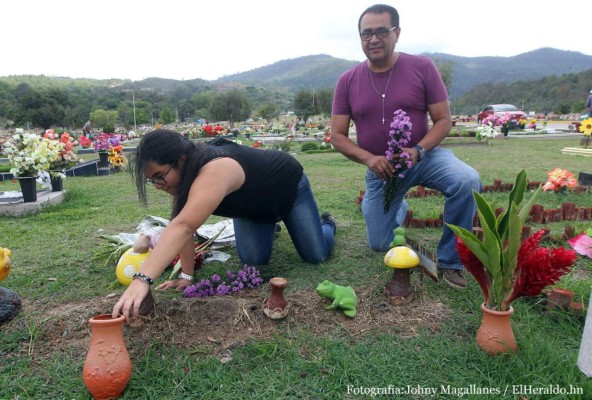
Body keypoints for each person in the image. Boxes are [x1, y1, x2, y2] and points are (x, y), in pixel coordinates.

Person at [330, 4, 481, 289]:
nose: (373, 39)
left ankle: (451, 261)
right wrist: (369, 159)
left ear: (396, 33)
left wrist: (419, 150)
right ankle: (399, 206)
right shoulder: (347, 80)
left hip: (424, 156)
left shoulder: (422, 67)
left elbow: (443, 120)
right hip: (381, 170)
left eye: (381, 32)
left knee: (467, 179)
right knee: (379, 244)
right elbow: (337, 135)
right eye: (366, 34)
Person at [112, 129, 336, 321]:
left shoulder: (216, 169)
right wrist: (186, 277)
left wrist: (142, 279)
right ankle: (270, 225)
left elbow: (184, 227)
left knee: (316, 255)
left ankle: (326, 224)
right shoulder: (184, 179)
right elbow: (182, 226)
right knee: (254, 261)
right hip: (252, 210)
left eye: (160, 176)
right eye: (152, 180)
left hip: (288, 189)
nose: (158, 185)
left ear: (180, 160)